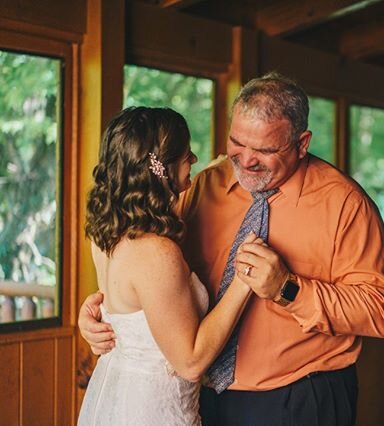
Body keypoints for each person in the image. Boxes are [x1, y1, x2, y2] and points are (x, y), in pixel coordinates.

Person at [79, 72, 384, 425]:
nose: (246, 161)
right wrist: (106, 315)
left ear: (302, 142)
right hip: (204, 399)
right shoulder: (202, 187)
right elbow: (150, 271)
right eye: (237, 143)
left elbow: (379, 312)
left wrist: (287, 288)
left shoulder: (346, 205)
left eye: (264, 150)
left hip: (301, 396)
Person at [78, 107, 257, 425]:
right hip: (152, 409)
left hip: (115, 391)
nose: (195, 160)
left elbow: (131, 306)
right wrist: (244, 282)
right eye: (187, 153)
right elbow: (189, 362)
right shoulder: (156, 253)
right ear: (161, 166)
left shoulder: (106, 232)